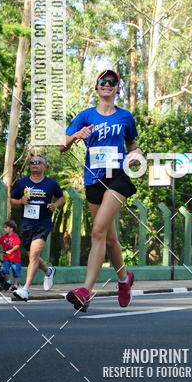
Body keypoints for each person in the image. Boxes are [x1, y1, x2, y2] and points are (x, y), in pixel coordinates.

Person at [60, 69, 144, 312]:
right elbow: (61, 145)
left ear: (118, 88)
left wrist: (137, 155)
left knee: (97, 231)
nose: (107, 85)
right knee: (109, 238)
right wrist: (77, 135)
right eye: (103, 82)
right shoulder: (85, 116)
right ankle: (124, 279)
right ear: (96, 87)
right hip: (92, 179)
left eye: (112, 82)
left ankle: (86, 290)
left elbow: (133, 146)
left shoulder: (125, 117)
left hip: (117, 177)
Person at [10, 155, 64, 301]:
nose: (34, 164)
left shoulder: (51, 183)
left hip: (43, 223)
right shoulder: (22, 183)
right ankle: (48, 271)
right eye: (32, 162)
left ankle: (26, 289)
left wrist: (55, 205)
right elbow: (11, 201)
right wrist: (20, 201)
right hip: (27, 224)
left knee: (34, 255)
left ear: (45, 166)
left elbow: (61, 197)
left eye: (38, 162)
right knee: (32, 256)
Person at [0, 220, 22, 292]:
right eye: (4, 227)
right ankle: (8, 282)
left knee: (16, 272)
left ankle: (15, 284)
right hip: (6, 258)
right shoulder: (4, 237)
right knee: (4, 270)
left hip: (15, 258)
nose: (4, 229)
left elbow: (17, 246)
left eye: (6, 227)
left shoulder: (15, 236)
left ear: (11, 228)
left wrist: (10, 251)